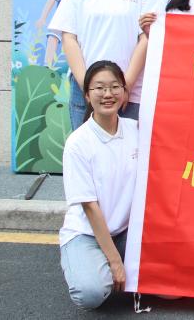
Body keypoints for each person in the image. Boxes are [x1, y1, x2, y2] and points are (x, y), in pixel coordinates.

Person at [50, 0, 158, 129]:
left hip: (130, 90)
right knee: (87, 146)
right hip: (85, 88)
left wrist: (125, 86)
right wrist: (87, 86)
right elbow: (69, 37)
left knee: (130, 148)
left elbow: (146, 38)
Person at [59, 60, 138, 310]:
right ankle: (87, 259)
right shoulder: (78, 143)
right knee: (91, 293)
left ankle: (118, 265)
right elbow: (90, 207)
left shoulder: (137, 130)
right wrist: (115, 262)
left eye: (115, 87)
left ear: (124, 92)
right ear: (87, 94)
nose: (108, 94)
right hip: (87, 233)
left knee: (171, 289)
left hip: (127, 232)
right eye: (99, 88)